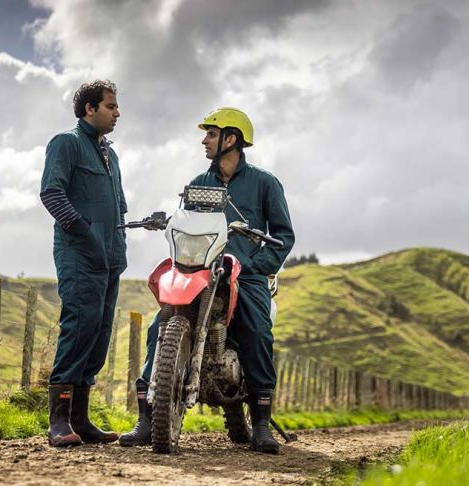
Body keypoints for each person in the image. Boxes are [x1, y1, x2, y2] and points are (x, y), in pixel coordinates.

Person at [119, 107, 294, 454]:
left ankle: (260, 423)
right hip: (198, 270)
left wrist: (257, 265)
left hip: (245, 275)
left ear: (231, 139)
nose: (204, 140)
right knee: (160, 325)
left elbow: (284, 235)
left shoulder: (265, 182)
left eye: (211, 134)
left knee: (257, 330)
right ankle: (147, 416)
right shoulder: (199, 183)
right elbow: (186, 222)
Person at [40, 80, 127, 447]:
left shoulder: (111, 154)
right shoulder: (67, 143)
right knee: (80, 327)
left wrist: (118, 244)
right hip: (79, 255)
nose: (117, 112)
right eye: (110, 106)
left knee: (100, 333)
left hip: (111, 259)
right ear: (89, 109)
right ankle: (58, 421)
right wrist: (84, 232)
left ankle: (80, 419)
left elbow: (119, 205)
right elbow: (52, 194)